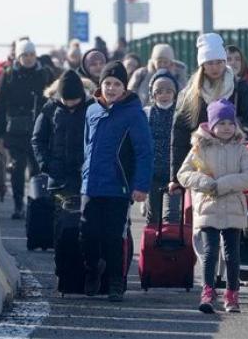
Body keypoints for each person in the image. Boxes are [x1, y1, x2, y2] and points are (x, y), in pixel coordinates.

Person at [80, 61, 153, 302]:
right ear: (100, 85)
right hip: (91, 185)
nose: (111, 88)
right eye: (107, 83)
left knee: (113, 236)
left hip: (118, 186)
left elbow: (144, 151)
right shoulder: (91, 111)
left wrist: (141, 185)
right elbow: (87, 147)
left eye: (116, 84)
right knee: (88, 233)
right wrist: (84, 174)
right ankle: (91, 270)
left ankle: (115, 282)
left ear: (125, 87)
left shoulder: (134, 113)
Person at [177, 99, 248, 314]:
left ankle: (232, 294)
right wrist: (204, 183)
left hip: (232, 207)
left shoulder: (241, 149)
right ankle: (208, 291)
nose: (226, 128)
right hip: (207, 207)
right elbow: (183, 174)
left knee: (232, 254)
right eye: (221, 123)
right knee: (210, 252)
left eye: (230, 123)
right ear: (211, 125)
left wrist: (222, 185)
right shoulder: (199, 148)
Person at [170, 33, 248, 194]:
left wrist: (236, 131)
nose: (215, 67)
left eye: (219, 62)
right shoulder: (191, 94)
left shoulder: (238, 87)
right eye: (209, 63)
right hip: (202, 166)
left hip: (233, 162)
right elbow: (179, 134)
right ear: (202, 65)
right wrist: (175, 178)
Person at [0, 39, 53, 219]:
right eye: (25, 55)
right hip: (15, 131)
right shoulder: (8, 74)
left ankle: (35, 203)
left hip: (39, 130)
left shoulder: (45, 74)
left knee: (37, 169)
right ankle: (19, 204)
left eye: (32, 54)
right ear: (19, 56)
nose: (29, 58)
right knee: (17, 168)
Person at [31, 69, 94, 198]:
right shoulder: (50, 108)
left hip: (85, 176)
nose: (70, 104)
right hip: (58, 176)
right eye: (66, 101)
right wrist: (46, 164)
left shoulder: (92, 108)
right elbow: (38, 139)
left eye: (74, 101)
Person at [143, 68, 180, 224]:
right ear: (153, 94)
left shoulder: (180, 113)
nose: (164, 95)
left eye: (168, 91)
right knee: (153, 214)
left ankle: (171, 245)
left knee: (172, 215)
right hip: (153, 171)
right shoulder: (147, 113)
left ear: (174, 93)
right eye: (159, 92)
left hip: (174, 172)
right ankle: (152, 245)